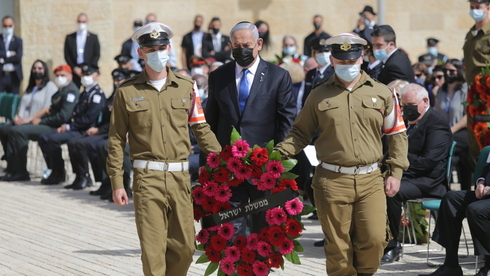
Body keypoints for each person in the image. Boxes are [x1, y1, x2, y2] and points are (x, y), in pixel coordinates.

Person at [274, 33, 409, 276]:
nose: (348, 66)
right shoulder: (318, 94)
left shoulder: (382, 92)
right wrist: (276, 156)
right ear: (333, 61)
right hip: (331, 180)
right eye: (342, 61)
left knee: (375, 238)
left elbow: (397, 134)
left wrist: (396, 172)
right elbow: (301, 133)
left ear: (362, 59)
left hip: (370, 180)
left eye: (352, 61)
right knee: (338, 247)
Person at [107, 22, 221, 276]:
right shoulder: (126, 92)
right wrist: (117, 181)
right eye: (150, 49)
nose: (157, 53)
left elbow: (201, 129)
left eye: (161, 47)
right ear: (141, 53)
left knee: (185, 247)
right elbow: (116, 139)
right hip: (148, 179)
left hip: (180, 178)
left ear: (169, 48)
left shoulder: (186, 87)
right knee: (153, 249)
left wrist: (224, 160)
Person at [205, 21, 296, 237]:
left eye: (246, 44)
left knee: (263, 229)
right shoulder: (219, 77)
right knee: (229, 230)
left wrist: (278, 161)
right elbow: (211, 123)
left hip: (264, 169)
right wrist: (208, 164)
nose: (241, 50)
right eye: (236, 46)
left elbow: (287, 121)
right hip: (228, 168)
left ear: (259, 44)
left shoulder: (278, 76)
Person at [382, 84, 452, 263]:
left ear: (425, 101)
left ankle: (392, 244)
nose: (406, 109)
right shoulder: (408, 122)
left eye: (410, 104)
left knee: (391, 192)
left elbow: (428, 161)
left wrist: (397, 171)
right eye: (403, 105)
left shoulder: (437, 125)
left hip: (427, 181)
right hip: (409, 175)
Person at [1, 65, 79, 182]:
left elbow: (63, 117)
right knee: (13, 130)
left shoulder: (71, 91)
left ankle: (20, 171)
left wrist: (41, 120)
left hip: (55, 126)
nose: (59, 78)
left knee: (18, 131)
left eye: (63, 75)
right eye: (57, 76)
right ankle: (13, 169)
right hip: (49, 123)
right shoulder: (62, 90)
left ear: (70, 76)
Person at [38, 64, 105, 186]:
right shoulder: (85, 92)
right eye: (83, 75)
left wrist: (69, 127)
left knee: (65, 141)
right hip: (76, 127)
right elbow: (75, 114)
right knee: (45, 137)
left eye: (88, 75)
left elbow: (88, 119)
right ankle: (59, 172)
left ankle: (82, 176)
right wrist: (66, 125)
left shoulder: (96, 95)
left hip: (84, 129)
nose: (85, 77)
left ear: (96, 75)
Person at [418, 165, 490, 276]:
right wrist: (481, 182)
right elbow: (487, 167)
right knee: (451, 199)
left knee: (475, 210)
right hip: (486, 194)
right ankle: (450, 266)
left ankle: (488, 268)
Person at [0, 60, 57, 165]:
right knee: (4, 130)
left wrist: (29, 119)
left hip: (34, 121)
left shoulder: (50, 86)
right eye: (34, 68)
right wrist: (16, 117)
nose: (37, 70)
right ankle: (10, 161)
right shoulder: (30, 88)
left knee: (15, 131)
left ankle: (19, 168)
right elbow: (21, 106)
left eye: (40, 68)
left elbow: (46, 109)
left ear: (45, 70)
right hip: (22, 120)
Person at [89, 68, 132, 200]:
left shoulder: (130, 94)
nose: (116, 82)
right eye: (115, 80)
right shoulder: (113, 96)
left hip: (131, 137)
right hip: (114, 132)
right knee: (101, 147)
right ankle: (108, 183)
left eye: (120, 80)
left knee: (113, 149)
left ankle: (125, 186)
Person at [434, 59, 473, 190]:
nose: (448, 73)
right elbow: (437, 112)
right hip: (446, 133)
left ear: (459, 71)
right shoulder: (440, 91)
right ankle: (446, 192)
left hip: (462, 132)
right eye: (445, 71)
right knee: (454, 159)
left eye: (452, 71)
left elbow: (469, 115)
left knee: (445, 148)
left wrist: (451, 130)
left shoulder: (466, 89)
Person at [465, 0, 490, 165]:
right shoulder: (471, 33)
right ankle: (479, 181)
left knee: (486, 138)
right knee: (474, 140)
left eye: (478, 7)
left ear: (488, 8)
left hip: (487, 93)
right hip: (473, 94)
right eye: (472, 7)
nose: (474, 11)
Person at [64, 13, 100, 88]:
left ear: (87, 22)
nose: (81, 24)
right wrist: (75, 68)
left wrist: (89, 69)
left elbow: (96, 54)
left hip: (89, 70)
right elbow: (67, 55)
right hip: (75, 70)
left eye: (83, 22)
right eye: (79, 22)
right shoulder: (70, 37)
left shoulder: (93, 37)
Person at [0, 15, 23, 94]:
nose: (7, 28)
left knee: (13, 101)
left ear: (13, 26)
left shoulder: (18, 41)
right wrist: (8, 53)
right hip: (1, 75)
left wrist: (2, 60)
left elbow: (18, 57)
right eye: (5, 26)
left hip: (14, 76)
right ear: (1, 26)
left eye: (10, 26)